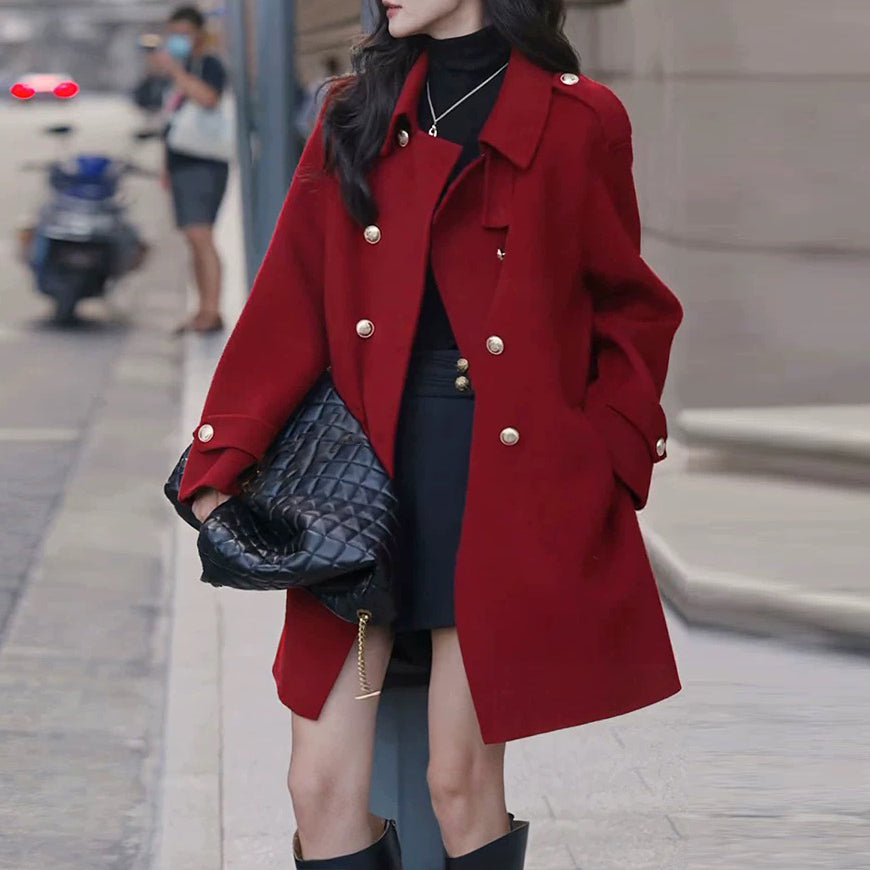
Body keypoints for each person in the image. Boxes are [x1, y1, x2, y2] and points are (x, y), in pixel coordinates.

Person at [176, 1, 684, 867]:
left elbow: (629, 307)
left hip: (501, 483)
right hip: (362, 489)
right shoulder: (354, 109)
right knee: (319, 788)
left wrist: (609, 458)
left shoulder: (579, 118)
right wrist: (222, 456)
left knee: (458, 783)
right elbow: (291, 295)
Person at [151, 5, 228, 334]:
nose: (178, 40)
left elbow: (208, 99)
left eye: (184, 33)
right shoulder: (181, 67)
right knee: (192, 240)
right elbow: (172, 123)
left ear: (199, 33)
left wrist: (176, 73)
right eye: (174, 33)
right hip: (182, 164)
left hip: (204, 164)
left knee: (202, 237)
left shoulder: (208, 64)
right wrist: (166, 167)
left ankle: (212, 311)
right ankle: (202, 309)